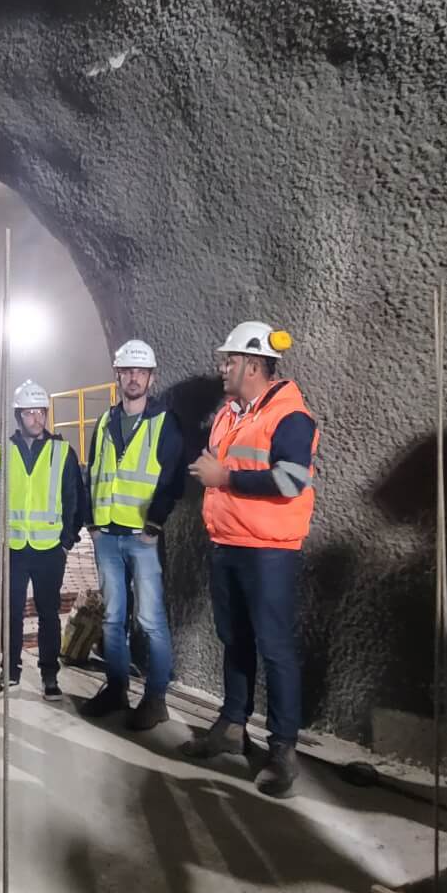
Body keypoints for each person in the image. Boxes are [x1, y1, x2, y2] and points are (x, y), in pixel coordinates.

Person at [181, 321, 318, 799]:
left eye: (231, 360)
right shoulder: (228, 414)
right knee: (234, 639)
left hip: (268, 551)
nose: (223, 368)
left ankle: (283, 750)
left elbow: (292, 480)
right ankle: (233, 725)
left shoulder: (291, 416)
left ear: (254, 365)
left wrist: (225, 477)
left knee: (274, 648)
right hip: (229, 544)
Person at [79, 339, 186, 730]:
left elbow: (173, 479)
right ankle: (116, 689)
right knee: (112, 618)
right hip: (107, 535)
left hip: (143, 539)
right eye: (127, 371)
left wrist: (154, 523)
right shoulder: (106, 421)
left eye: (140, 372)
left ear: (151, 377)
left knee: (150, 619)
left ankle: (156, 699)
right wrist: (92, 523)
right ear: (118, 375)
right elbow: (93, 474)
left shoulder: (163, 422)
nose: (134, 377)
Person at [0, 380, 86, 700]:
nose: (37, 418)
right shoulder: (2, 452)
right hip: (11, 549)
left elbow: (74, 499)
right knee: (10, 614)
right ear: (18, 415)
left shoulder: (61, 451)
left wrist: (66, 540)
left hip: (49, 549)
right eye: (30, 412)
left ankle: (49, 676)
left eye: (41, 412)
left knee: (48, 614)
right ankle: (9, 672)